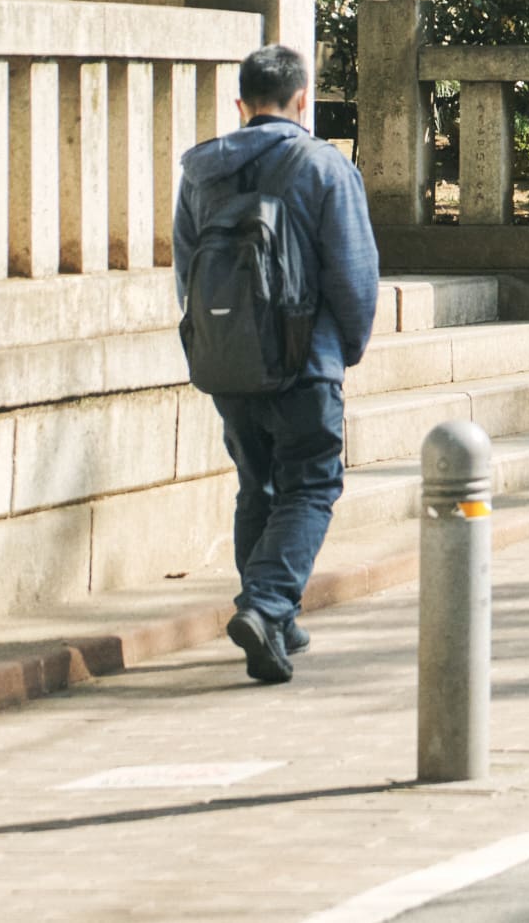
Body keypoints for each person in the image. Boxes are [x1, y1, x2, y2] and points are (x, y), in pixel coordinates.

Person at [174, 43, 380, 682]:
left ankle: (278, 618)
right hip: (304, 359)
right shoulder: (322, 167)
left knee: (257, 485)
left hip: (227, 361)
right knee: (312, 484)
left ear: (241, 105)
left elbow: (188, 270)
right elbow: (353, 272)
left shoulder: (200, 173)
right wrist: (344, 348)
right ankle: (265, 605)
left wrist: (213, 342)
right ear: (303, 101)